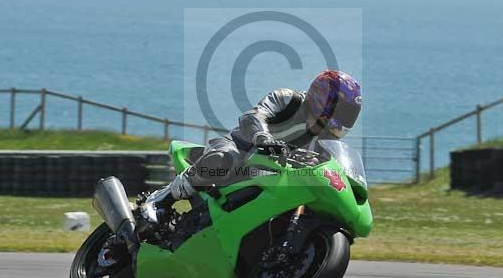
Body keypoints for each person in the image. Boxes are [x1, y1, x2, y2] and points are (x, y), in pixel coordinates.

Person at [137, 69, 362, 228]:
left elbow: (328, 168)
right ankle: (162, 199)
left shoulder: (325, 141)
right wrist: (262, 136)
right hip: (241, 149)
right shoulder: (289, 100)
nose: (344, 118)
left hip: (272, 174)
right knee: (227, 158)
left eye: (349, 114)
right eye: (342, 111)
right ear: (324, 99)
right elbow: (252, 117)